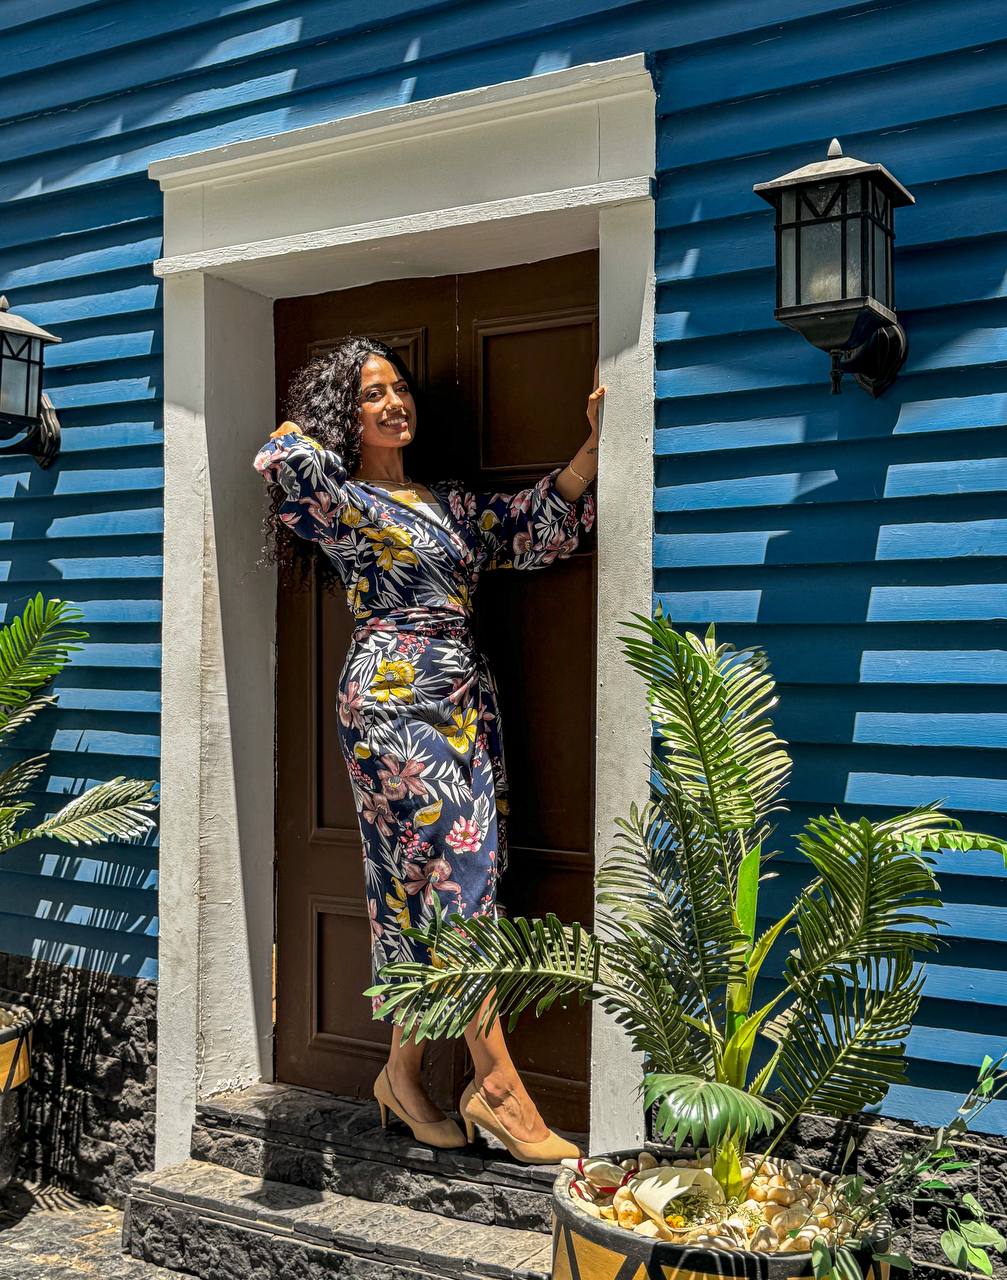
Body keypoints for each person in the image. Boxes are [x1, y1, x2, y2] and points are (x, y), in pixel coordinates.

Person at [254, 335, 602, 1163]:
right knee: (454, 876)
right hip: (391, 699)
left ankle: (402, 1076)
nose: (393, 403)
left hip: (460, 697)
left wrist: (594, 443)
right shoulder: (341, 500)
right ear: (348, 414)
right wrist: (329, 411)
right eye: (371, 395)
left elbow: (535, 526)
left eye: (399, 389)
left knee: (433, 881)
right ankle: (498, 1085)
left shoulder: (444, 505)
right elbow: (280, 459)